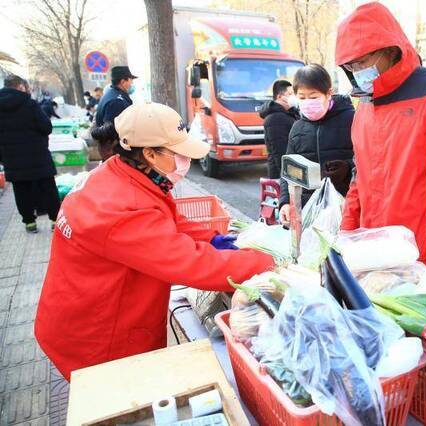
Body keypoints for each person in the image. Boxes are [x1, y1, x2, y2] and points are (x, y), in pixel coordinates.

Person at [34, 102, 275, 380]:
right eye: (179, 153)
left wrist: (214, 239)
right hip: (98, 335)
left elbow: (167, 220)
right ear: (148, 153)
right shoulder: (120, 209)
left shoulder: (122, 172)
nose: (187, 161)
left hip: (80, 310)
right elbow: (191, 264)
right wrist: (265, 263)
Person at [335, 2, 426, 267]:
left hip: (421, 256)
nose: (357, 72)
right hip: (371, 252)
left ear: (390, 50)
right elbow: (359, 179)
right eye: (351, 65)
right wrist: (346, 235)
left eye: (363, 62)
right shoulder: (365, 103)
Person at [279, 64, 355, 223]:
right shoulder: (297, 128)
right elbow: (287, 170)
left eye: (313, 97)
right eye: (302, 97)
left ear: (329, 93)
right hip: (308, 210)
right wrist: (285, 202)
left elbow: (368, 162)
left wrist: (347, 167)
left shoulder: (351, 120)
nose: (307, 102)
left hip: (346, 208)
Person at [0, 75, 60, 233]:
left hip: (12, 158)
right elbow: (46, 127)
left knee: (21, 190)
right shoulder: (29, 103)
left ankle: (29, 223)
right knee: (48, 187)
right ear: (20, 86)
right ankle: (55, 220)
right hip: (37, 155)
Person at [259, 79, 299, 179]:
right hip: (281, 175)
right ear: (279, 97)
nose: (293, 97)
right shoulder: (275, 119)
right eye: (290, 94)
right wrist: (289, 177)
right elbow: (280, 152)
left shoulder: (289, 114)